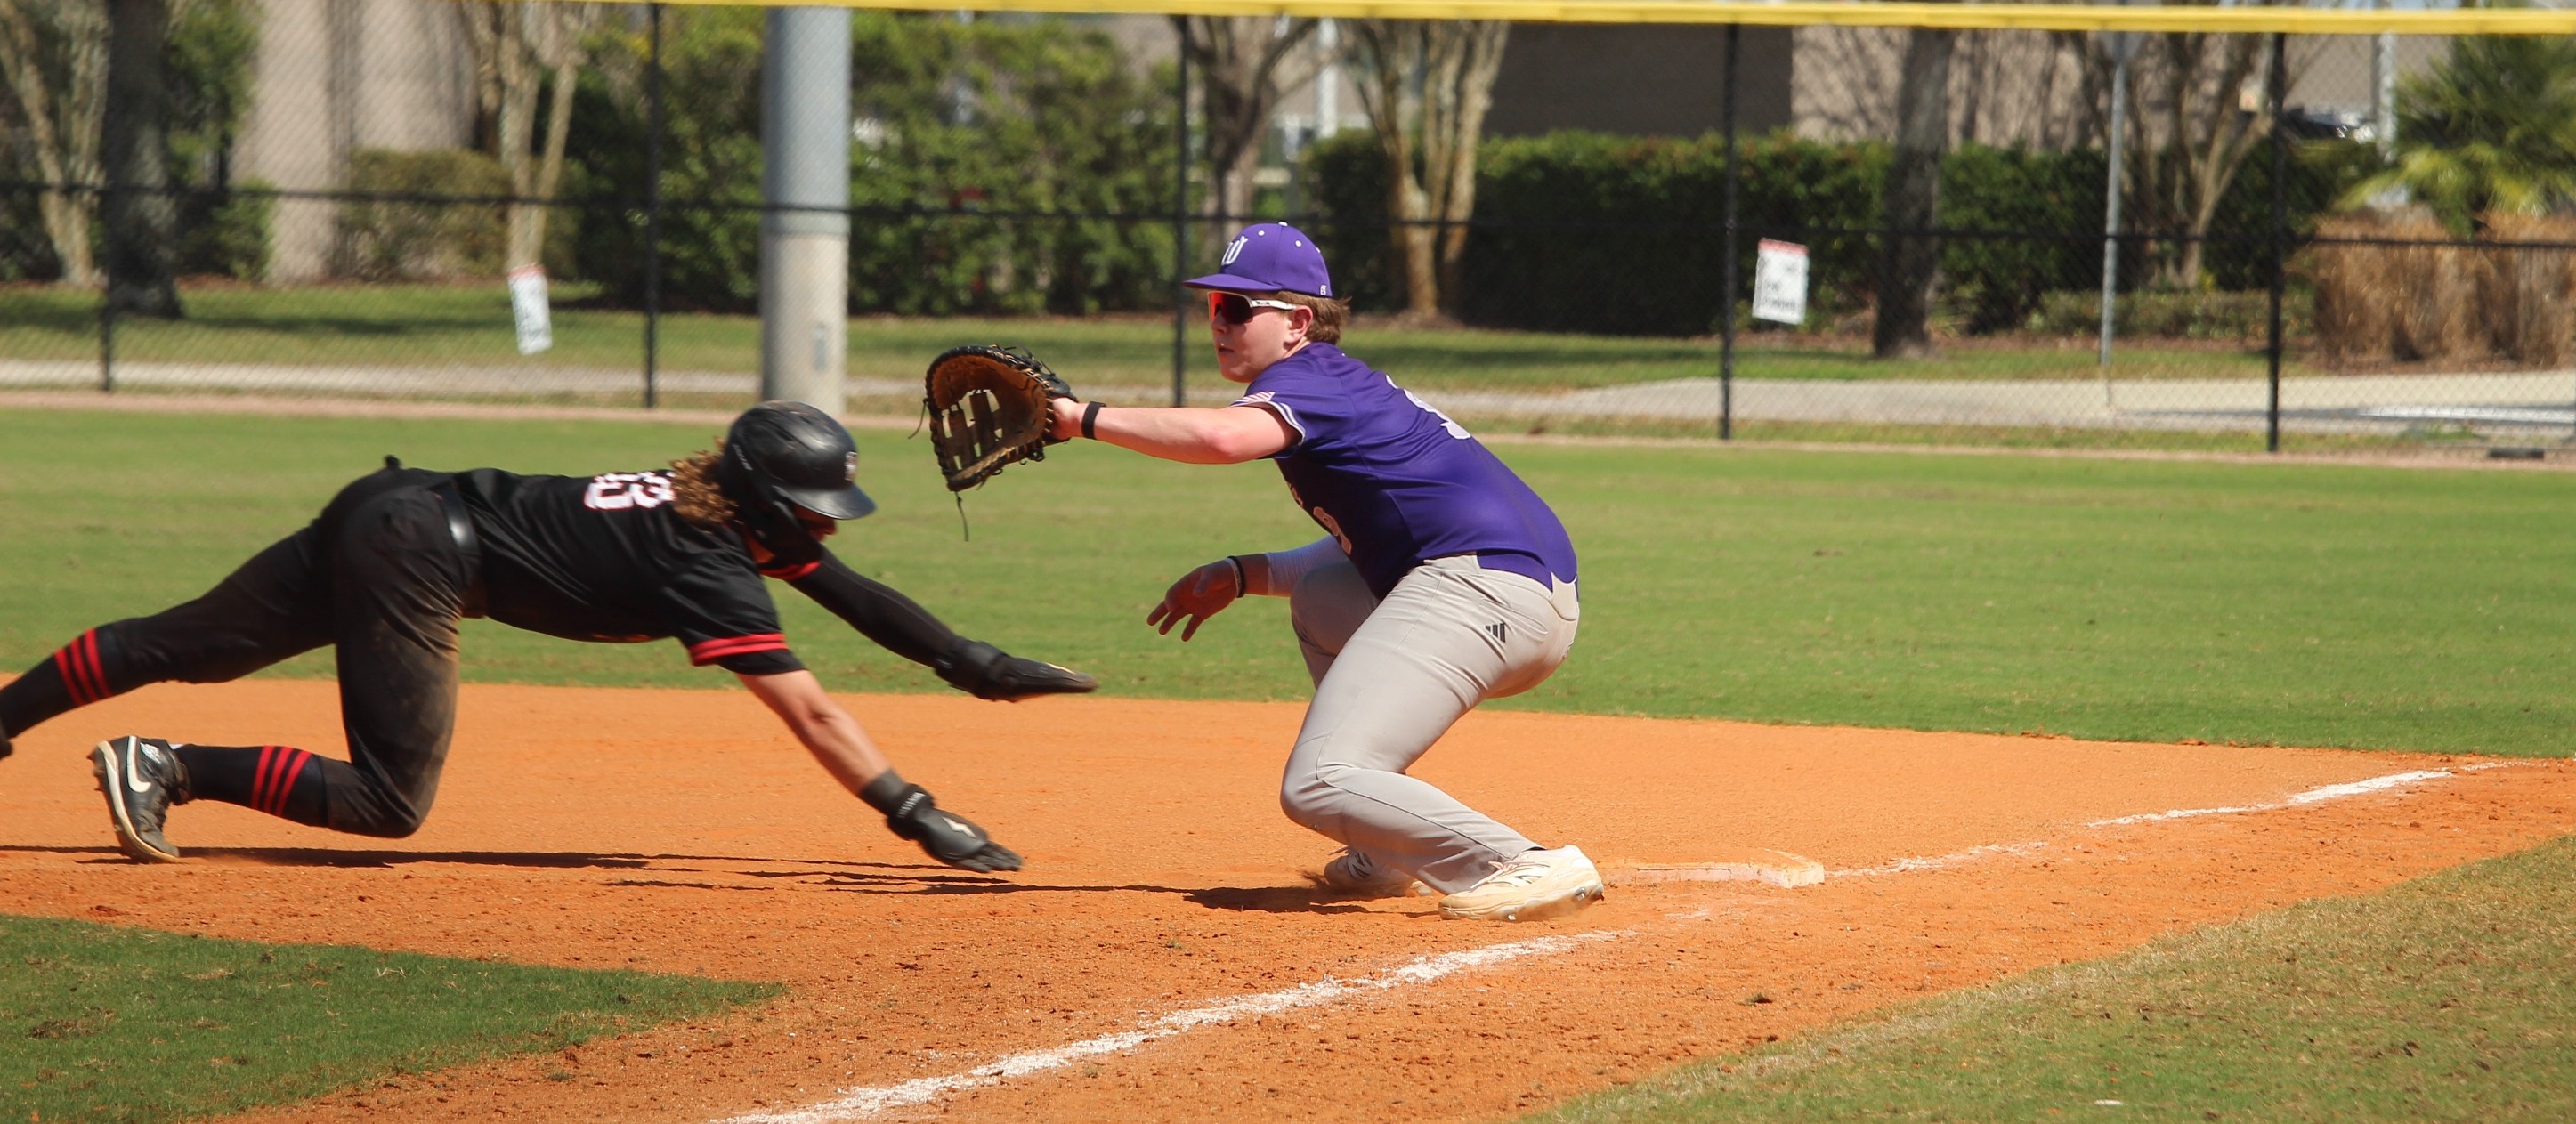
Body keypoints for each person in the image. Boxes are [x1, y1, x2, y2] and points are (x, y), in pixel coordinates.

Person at [0, 401, 1090, 871]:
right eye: (808, 507)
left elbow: (854, 592)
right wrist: (915, 812)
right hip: (420, 557)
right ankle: (169, 766)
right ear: (765, 500)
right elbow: (806, 703)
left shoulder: (707, 501)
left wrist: (971, 663)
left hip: (404, 506)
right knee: (389, 798)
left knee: (192, 640)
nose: (819, 525)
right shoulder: (706, 561)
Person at [1046, 222, 1600, 922]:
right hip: (1507, 591)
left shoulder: (1308, 379)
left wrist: (1080, 418)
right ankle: (1389, 844)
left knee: (1314, 783)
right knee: (1321, 595)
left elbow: (1222, 438)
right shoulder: (1331, 383)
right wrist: (1244, 573)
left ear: (1299, 322)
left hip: (1483, 593)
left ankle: (1519, 862)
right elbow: (1371, 543)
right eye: (1215, 307)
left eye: (1240, 309)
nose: (1220, 323)